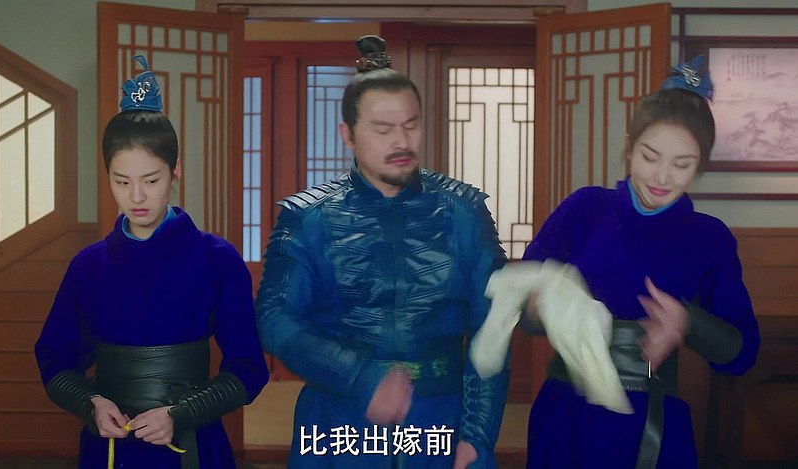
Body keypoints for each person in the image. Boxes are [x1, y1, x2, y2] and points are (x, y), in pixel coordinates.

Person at [255, 35, 508, 468]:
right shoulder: (309, 217)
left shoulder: (463, 212)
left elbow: (494, 326)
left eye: (411, 125)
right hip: (339, 413)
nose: (401, 141)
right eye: (383, 129)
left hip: (440, 413)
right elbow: (275, 319)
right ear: (348, 135)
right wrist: (361, 376)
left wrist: (477, 437)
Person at [514, 56, 761, 469]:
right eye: (650, 156)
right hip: (567, 417)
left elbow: (742, 353)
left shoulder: (710, 238)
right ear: (630, 146)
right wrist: (537, 306)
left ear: (700, 165)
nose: (662, 176)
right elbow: (522, 309)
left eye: (682, 165)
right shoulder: (584, 208)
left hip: (651, 426)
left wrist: (688, 322)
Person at [34, 55, 269, 469]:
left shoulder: (216, 259)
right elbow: (54, 360)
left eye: (151, 180)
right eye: (122, 181)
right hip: (110, 446)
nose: (137, 197)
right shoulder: (89, 265)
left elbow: (250, 368)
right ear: (108, 175)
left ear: (175, 171)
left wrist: (182, 414)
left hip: (193, 444)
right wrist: (91, 403)